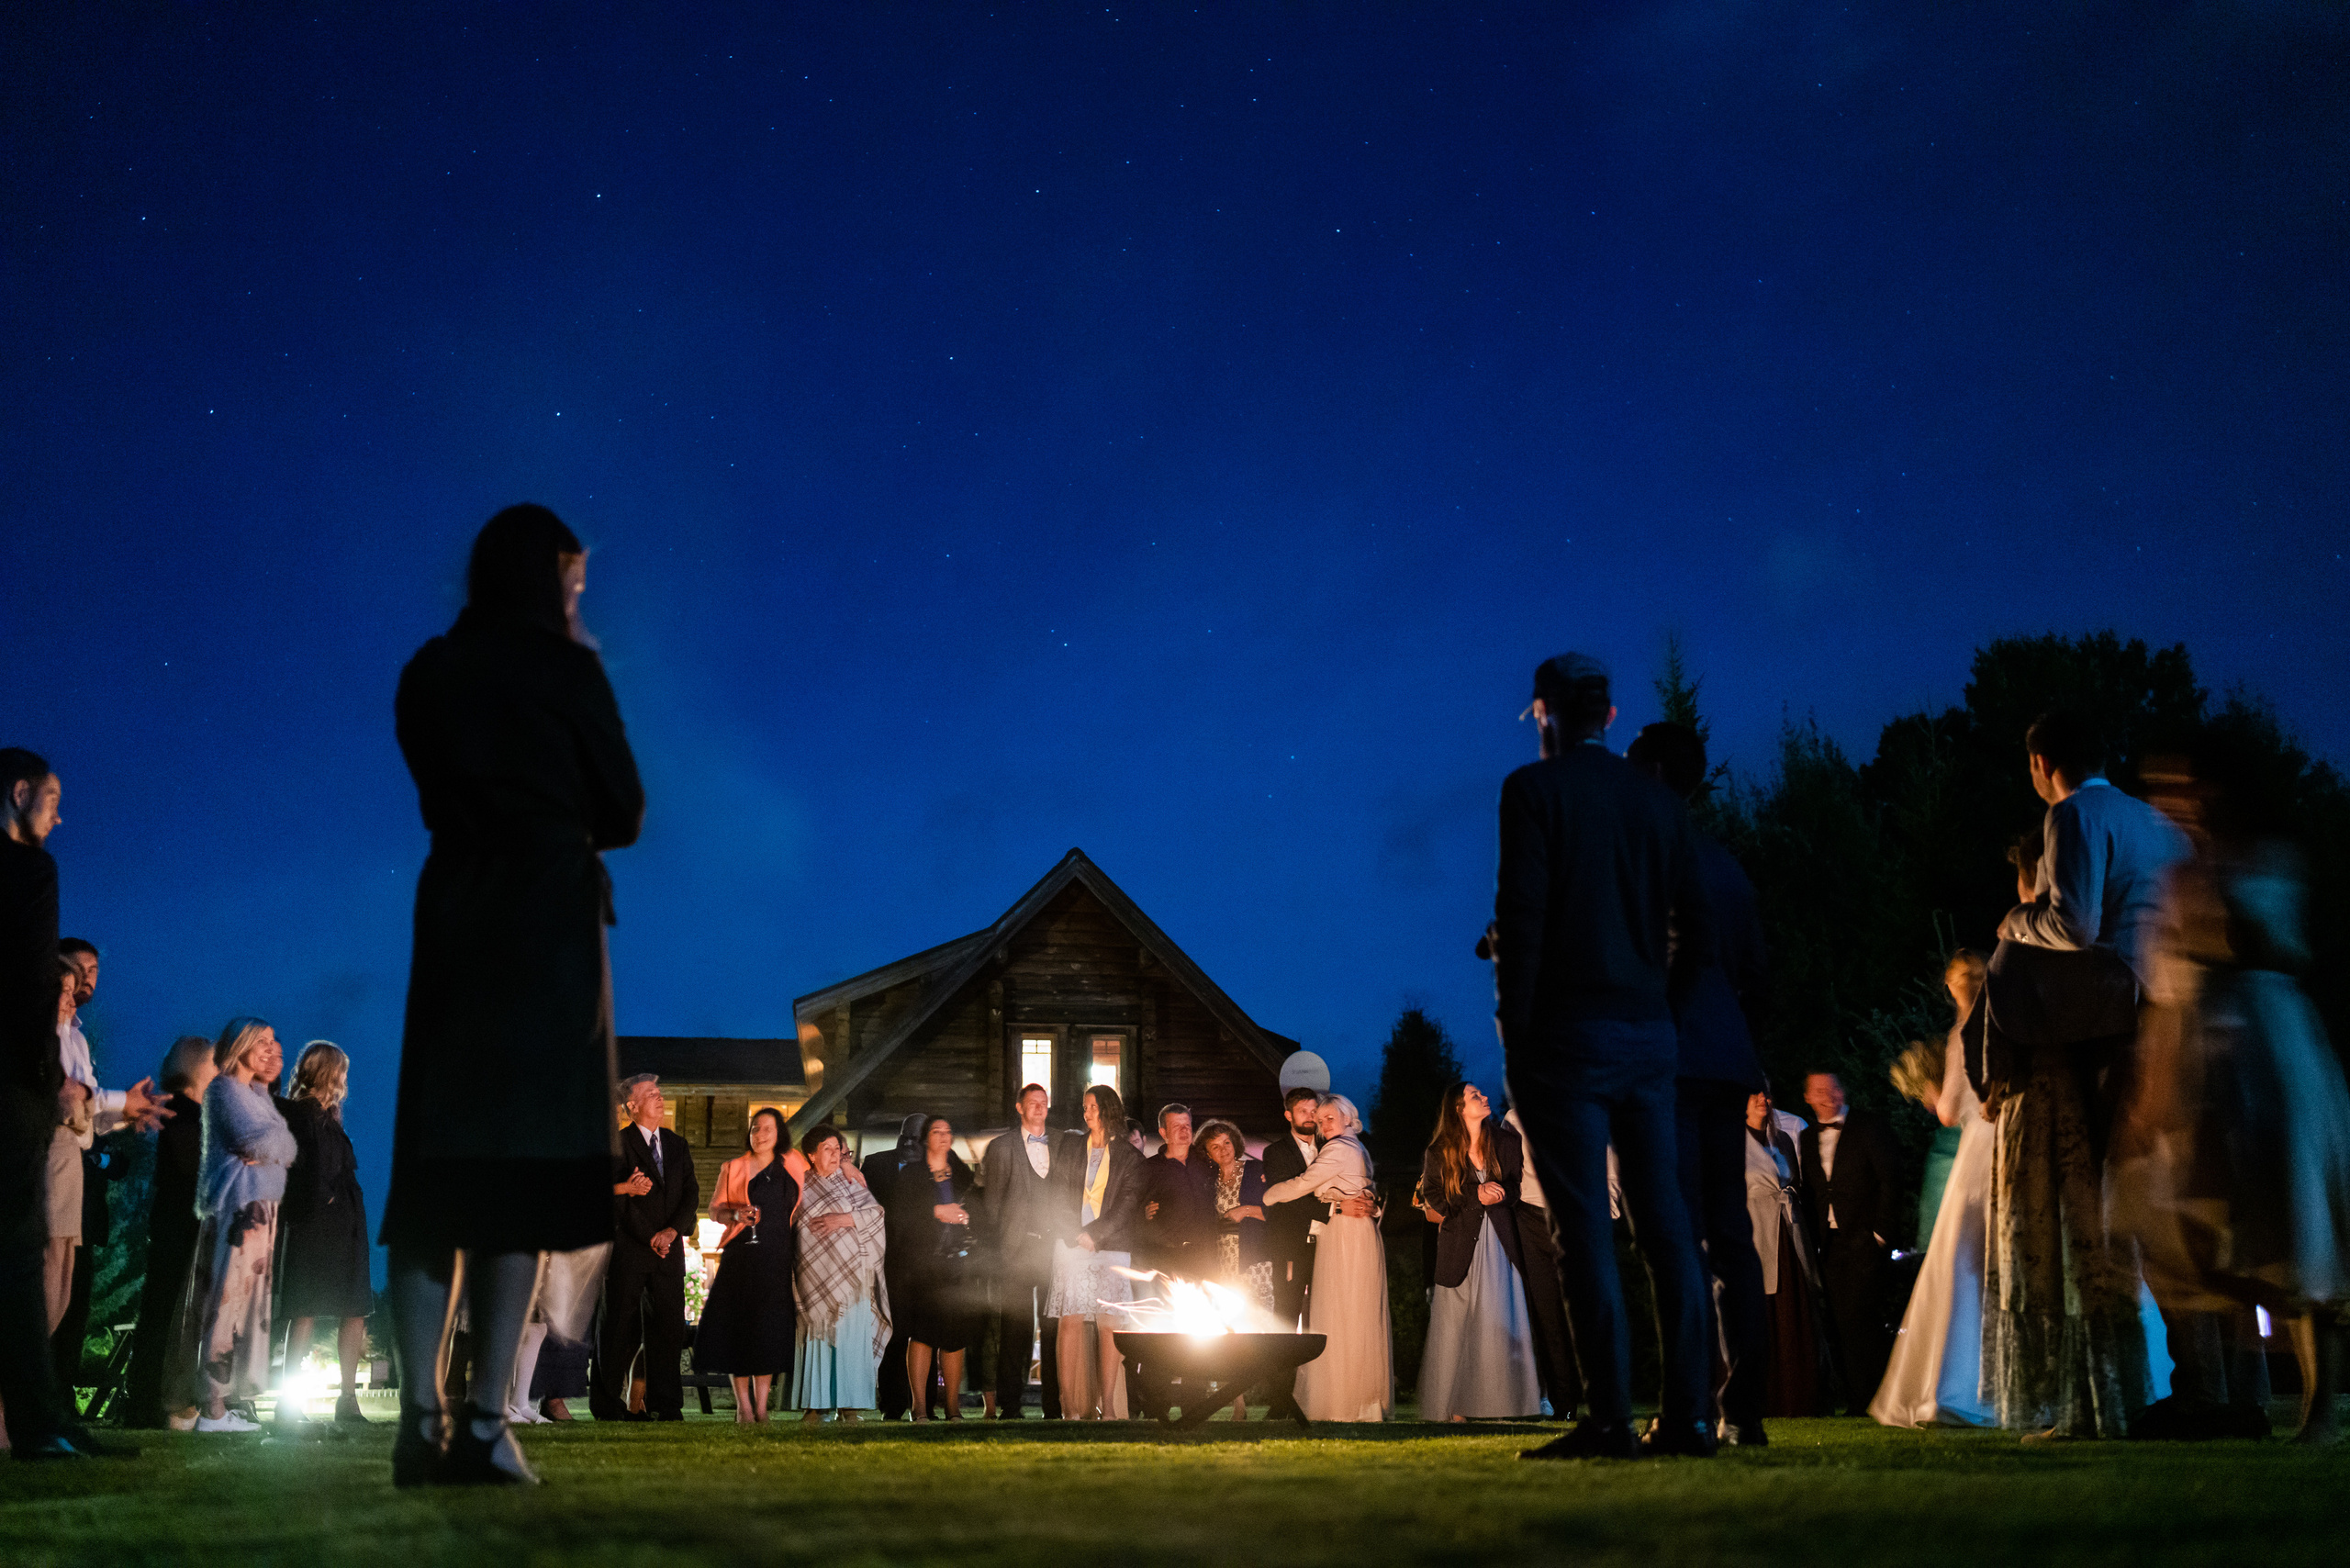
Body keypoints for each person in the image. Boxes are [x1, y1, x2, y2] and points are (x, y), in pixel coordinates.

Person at [379, 505, 645, 1486]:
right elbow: (622, 806)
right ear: (550, 580)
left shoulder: (428, 672)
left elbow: (433, 786)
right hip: (545, 927)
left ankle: (419, 1421)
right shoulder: (566, 668)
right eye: (573, 583)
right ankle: (487, 1423)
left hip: (453, 914)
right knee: (522, 1174)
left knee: (439, 1169)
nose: (579, 598)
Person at [1492, 653, 1715, 1461]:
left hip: (1565, 1035)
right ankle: (1690, 1416)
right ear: (1612, 717)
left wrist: (1514, 1033)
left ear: (1545, 713)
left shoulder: (1533, 792)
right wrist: (1668, 1015)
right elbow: (1699, 928)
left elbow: (1523, 918)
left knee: (1583, 1225)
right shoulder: (1657, 803)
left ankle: (1612, 1417)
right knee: (1665, 1222)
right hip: (1648, 1034)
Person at [2116, 749, 2350, 1444]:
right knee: (2199, 1231)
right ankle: (2230, 1390)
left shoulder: (2264, 857)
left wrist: (2208, 888)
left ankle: (2319, 1410)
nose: (2170, 804)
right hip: (2200, 1055)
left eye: (2180, 788)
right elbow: (2164, 978)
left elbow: (2263, 944)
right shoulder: (2180, 873)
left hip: (2272, 1047)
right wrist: (2153, 1080)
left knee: (2295, 1215)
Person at [1969, 710, 2186, 1439]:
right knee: (2158, 1212)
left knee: (2092, 1220)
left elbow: (2074, 925)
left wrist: (2012, 924)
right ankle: (2196, 1385)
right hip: (2168, 1020)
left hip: (2105, 1026)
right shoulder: (2156, 823)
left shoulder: (2072, 816)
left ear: (2040, 764)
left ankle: (2099, 1401)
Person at [1627, 720, 1773, 1446]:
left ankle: (1686, 1409)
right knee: (1732, 1237)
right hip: (1725, 1061)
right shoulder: (1726, 865)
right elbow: (1753, 974)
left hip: (1669, 1067)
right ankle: (1743, 1409)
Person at [1872, 953, 1998, 1428]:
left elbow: (1947, 1112)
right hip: (2004, 1140)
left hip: (1975, 1150)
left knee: (1961, 1263)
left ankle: (1952, 1386)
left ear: (1952, 987)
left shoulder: (1961, 1031)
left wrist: (1932, 1094)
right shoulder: (2005, 1018)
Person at [166, 1017, 297, 1433]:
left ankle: (220, 1403)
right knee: (224, 1307)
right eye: (263, 1042)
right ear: (241, 1045)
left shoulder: (255, 1094)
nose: (272, 1050)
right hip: (241, 1209)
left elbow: (285, 1147)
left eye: (274, 1042)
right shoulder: (224, 1089)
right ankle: (213, 1409)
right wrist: (270, 1146)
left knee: (246, 1311)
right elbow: (258, 1141)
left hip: (261, 1210)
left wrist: (273, 1147)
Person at [46, 938, 167, 1342]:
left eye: (93, 971)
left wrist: (126, 1114)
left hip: (73, 1169)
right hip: (45, 1160)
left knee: (64, 1291)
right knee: (43, 1280)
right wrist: (114, 1100)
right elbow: (63, 1096)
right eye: (75, 972)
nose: (85, 980)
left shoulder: (77, 1039)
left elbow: (90, 1122)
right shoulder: (38, 1033)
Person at [1264, 1093, 1393, 1422]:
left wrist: (1269, 1193)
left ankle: (1342, 1402)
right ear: (1288, 1115)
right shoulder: (1356, 1147)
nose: (1321, 1123)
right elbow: (1367, 1187)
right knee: (1353, 1312)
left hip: (1345, 1237)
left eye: (1327, 1117)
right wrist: (1364, 1203)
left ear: (1348, 1118)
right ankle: (1361, 1403)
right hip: (1347, 1235)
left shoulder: (1337, 1148)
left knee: (1341, 1314)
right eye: (1317, 1118)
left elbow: (1303, 1184)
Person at [1416, 1083, 1540, 1422]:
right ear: (1458, 1108)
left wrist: (1501, 1194)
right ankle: (1454, 1407)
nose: (1484, 1098)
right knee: (1456, 1327)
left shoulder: (1506, 1142)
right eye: (1475, 1096)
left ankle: (1500, 1404)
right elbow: (1435, 1197)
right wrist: (1476, 1196)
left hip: (1500, 1243)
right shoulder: (1439, 1152)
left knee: (1499, 1321)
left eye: (1482, 1095)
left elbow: (1517, 1187)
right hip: (1459, 1246)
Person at [273, 1042, 374, 1428]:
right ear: (328, 1072)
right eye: (341, 1072)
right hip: (316, 1223)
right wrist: (323, 1197)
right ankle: (288, 1401)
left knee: (355, 1308)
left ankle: (348, 1400)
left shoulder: (332, 1117)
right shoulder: (299, 1113)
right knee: (305, 1307)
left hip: (348, 1222)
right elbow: (303, 1168)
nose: (345, 1080)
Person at [121, 1036, 216, 1428]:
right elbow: (190, 1168)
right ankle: (150, 1400)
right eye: (215, 1063)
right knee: (166, 1311)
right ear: (194, 1068)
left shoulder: (193, 1115)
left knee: (166, 1310)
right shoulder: (182, 1113)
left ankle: (153, 1399)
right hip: (179, 1224)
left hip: (177, 1222)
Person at [1796, 1071, 1901, 1413]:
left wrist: (1881, 1233)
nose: (1829, 1095)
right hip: (1831, 1244)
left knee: (1864, 1320)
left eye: (1835, 1087)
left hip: (1865, 1240)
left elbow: (1891, 1179)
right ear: (1807, 1098)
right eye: (1820, 1091)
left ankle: (1878, 1395)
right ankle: (1859, 1399)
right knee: (1841, 1322)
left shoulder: (1869, 1127)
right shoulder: (1808, 1137)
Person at [596, 1073, 699, 1425]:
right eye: (651, 1094)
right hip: (630, 1250)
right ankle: (608, 1405)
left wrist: (671, 1232)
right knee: (618, 1330)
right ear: (632, 1106)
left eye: (660, 1092)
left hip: (669, 1251)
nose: (659, 1097)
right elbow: (621, 1203)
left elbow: (691, 1194)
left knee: (669, 1330)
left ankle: (665, 1405)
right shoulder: (618, 1143)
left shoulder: (676, 1144)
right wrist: (650, 1237)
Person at [694, 1106, 800, 1424]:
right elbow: (715, 1210)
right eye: (755, 1128)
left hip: (777, 1259)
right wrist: (736, 1216)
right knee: (738, 1329)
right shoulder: (733, 1167)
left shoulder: (794, 1165)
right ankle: (744, 1407)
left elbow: (825, 1169)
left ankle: (763, 1408)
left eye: (767, 1128)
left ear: (779, 1133)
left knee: (767, 1331)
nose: (760, 1134)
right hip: (741, 1257)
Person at [1046, 1082, 1144, 1419]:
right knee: (1070, 1319)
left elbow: (1129, 1202)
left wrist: (1097, 1236)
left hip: (1111, 1246)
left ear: (1108, 1109)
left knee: (1109, 1324)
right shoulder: (1072, 1146)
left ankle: (1110, 1405)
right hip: (1072, 1242)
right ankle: (1069, 1406)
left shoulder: (1130, 1155)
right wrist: (1074, 1232)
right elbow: (1056, 1192)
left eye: (1092, 1106)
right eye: (1085, 1106)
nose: (1087, 1112)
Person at [791, 1124, 890, 1422]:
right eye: (828, 1150)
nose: (835, 1155)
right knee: (817, 1337)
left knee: (850, 1339)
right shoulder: (799, 1186)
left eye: (839, 1150)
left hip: (853, 1280)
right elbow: (792, 1222)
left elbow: (876, 1214)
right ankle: (815, 1406)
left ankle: (849, 1406)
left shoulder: (852, 1184)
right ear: (811, 1154)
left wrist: (844, 1219)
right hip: (813, 1276)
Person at [978, 1083, 1063, 1418]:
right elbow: (992, 1204)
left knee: (1053, 1326)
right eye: (1032, 1103)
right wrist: (999, 1249)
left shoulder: (1063, 1142)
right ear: (1019, 1107)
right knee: (1015, 1329)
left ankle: (1053, 1405)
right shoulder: (1000, 1147)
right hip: (1016, 1248)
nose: (1039, 1108)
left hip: (1055, 1248)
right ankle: (1010, 1405)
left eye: (1043, 1103)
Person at [886, 1115, 979, 1420]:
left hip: (956, 1262)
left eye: (948, 1132)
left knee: (954, 1336)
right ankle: (920, 1407)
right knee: (922, 1333)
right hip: (922, 1263)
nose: (943, 1136)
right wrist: (936, 1212)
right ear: (926, 1138)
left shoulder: (962, 1174)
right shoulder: (912, 1173)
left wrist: (966, 1217)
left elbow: (978, 1205)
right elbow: (899, 1215)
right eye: (937, 1132)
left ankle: (953, 1405)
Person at [1744, 1089, 1830, 1416]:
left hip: (1786, 1233)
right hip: (1753, 1234)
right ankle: (1758, 1395)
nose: (1762, 1098)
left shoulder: (1783, 1139)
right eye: (1754, 1094)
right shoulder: (1731, 1140)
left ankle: (1794, 1395)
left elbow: (1797, 1186)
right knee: (1759, 1312)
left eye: (1766, 1092)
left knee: (1790, 1309)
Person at [1499, 1104, 1581, 1420]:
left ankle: (1603, 1395)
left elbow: (1608, 1157)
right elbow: (1505, 1168)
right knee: (1546, 1313)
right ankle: (1564, 1402)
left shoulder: (1581, 1103)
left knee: (1585, 1308)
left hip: (1575, 1215)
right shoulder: (1515, 1118)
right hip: (1530, 1215)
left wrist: (1609, 1206)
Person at [1259, 1085, 1324, 1420]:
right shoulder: (1276, 1152)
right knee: (1285, 1317)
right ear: (1289, 1115)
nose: (1310, 1117)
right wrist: (1335, 1210)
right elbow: (1289, 1197)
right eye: (1303, 1111)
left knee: (1325, 1315)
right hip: (1290, 1244)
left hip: (1328, 1245)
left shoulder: (1331, 1146)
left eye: (1314, 1110)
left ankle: (1321, 1391)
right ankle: (1280, 1398)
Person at [872, 1112, 929, 1420]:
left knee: (924, 1335)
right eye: (904, 1136)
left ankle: (924, 1405)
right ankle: (892, 1405)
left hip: (924, 1264)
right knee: (891, 1335)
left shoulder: (937, 1167)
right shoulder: (875, 1164)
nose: (908, 1142)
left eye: (915, 1137)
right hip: (887, 1262)